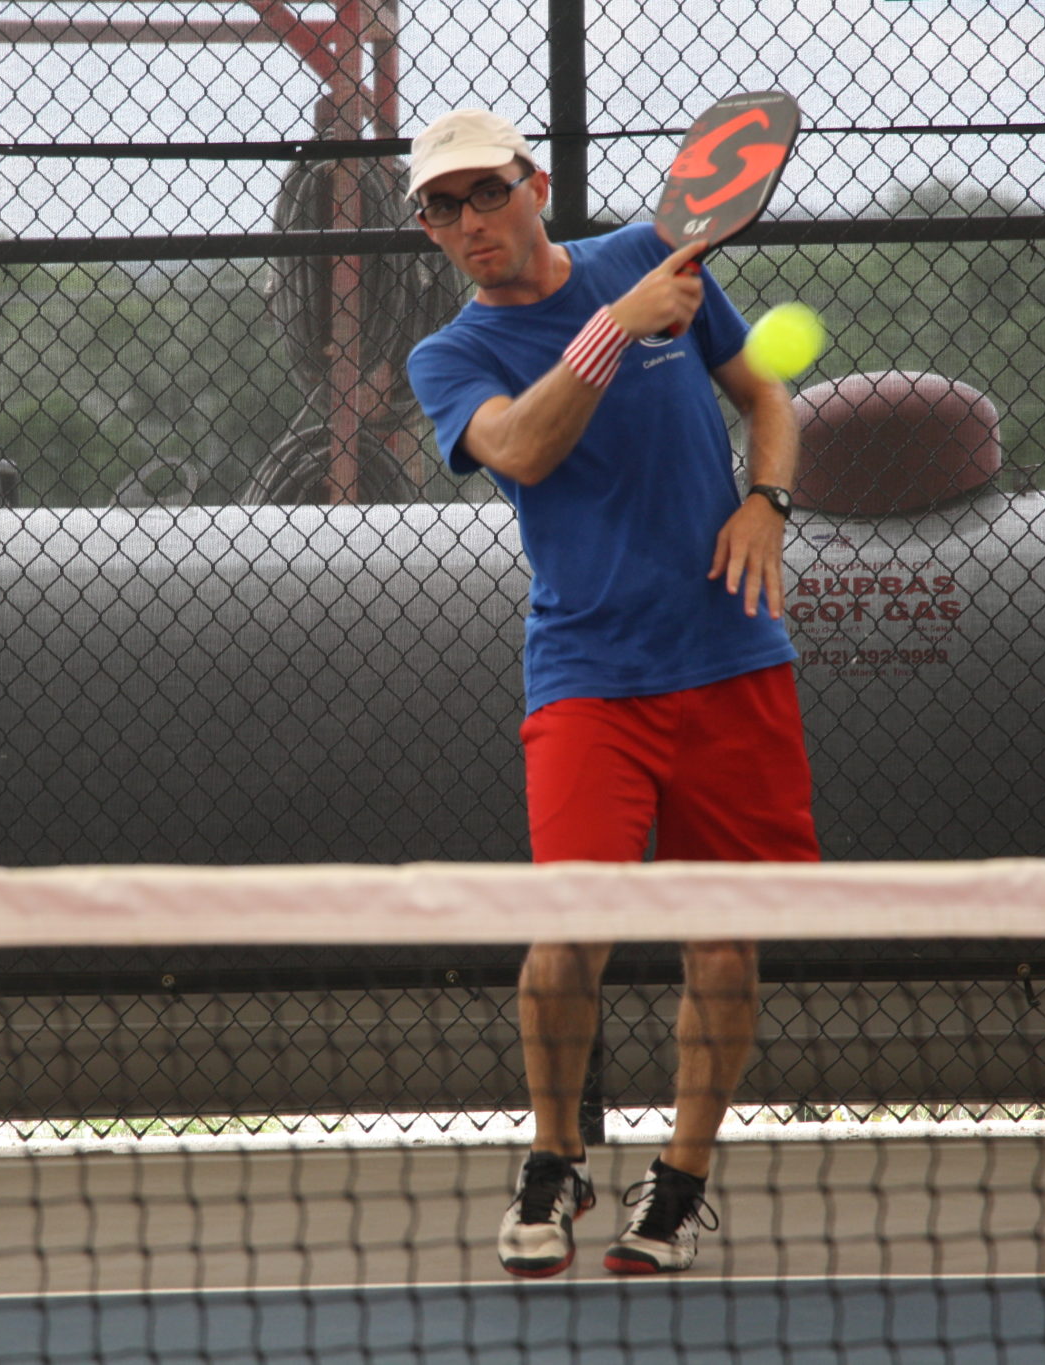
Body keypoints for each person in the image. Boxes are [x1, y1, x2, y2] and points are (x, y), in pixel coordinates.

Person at [403, 109, 823, 1278]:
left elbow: (770, 400)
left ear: (532, 185)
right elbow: (522, 451)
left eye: (485, 192)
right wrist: (606, 332)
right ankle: (554, 1159)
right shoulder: (449, 357)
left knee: (727, 948)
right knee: (564, 936)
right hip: (588, 675)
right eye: (441, 207)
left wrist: (765, 504)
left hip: (733, 661)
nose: (468, 222)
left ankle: (678, 1186)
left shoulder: (653, 252)